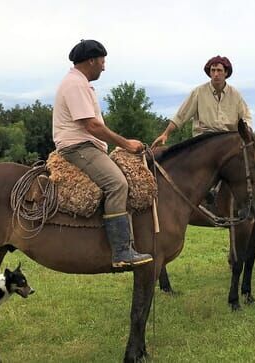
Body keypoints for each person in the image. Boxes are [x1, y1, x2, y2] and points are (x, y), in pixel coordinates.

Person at [52, 39, 152, 268]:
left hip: (84, 145)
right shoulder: (76, 85)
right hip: (79, 147)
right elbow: (92, 126)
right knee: (117, 184)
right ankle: (121, 252)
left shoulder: (78, 82)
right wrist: (125, 144)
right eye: (102, 61)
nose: (104, 67)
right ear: (91, 61)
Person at [152, 55, 252, 147]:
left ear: (226, 72)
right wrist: (165, 134)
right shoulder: (199, 92)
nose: (216, 74)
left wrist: (248, 131)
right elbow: (181, 115)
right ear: (209, 73)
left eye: (219, 70)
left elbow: (246, 117)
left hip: (228, 140)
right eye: (213, 70)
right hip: (204, 140)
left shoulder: (235, 95)